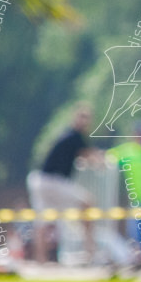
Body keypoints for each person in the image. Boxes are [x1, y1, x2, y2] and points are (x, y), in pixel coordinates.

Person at [26, 103, 98, 262]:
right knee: (87, 203)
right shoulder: (75, 136)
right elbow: (89, 156)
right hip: (52, 181)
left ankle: (41, 260)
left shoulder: (66, 135)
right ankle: (90, 252)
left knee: (43, 221)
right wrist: (103, 159)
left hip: (39, 180)